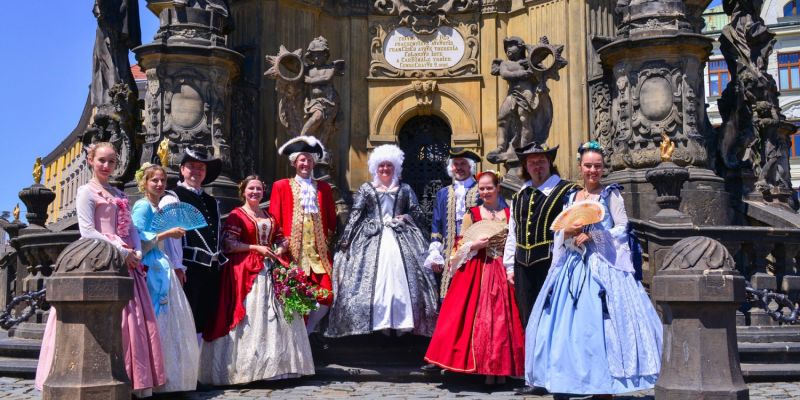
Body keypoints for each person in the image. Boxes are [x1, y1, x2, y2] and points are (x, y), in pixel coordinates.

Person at [524, 141, 662, 397]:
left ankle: (603, 384)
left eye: (597, 166)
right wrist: (568, 232)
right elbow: (559, 231)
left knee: (603, 325)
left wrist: (595, 235)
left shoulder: (611, 195)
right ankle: (568, 380)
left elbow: (622, 228)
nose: (593, 171)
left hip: (604, 265)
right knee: (567, 326)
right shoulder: (571, 197)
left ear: (603, 168)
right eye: (588, 165)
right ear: (580, 166)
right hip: (573, 265)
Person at [35, 142, 166, 397]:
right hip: (101, 259)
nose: (107, 166)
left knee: (135, 322)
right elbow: (87, 231)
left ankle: (132, 379)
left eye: (111, 161)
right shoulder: (86, 191)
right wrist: (123, 252)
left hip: (128, 261)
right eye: (102, 161)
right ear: (91, 161)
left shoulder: (118, 193)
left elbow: (131, 228)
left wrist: (137, 250)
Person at [200, 175, 315, 385]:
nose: (255, 192)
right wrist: (255, 247)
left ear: (263, 192)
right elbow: (228, 244)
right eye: (251, 189)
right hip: (247, 269)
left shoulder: (268, 215)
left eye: (259, 189)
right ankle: (247, 370)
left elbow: (281, 238)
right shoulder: (237, 215)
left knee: (278, 317)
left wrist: (280, 248)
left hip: (271, 267)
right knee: (251, 317)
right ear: (243, 191)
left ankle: (279, 368)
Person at [326, 144, 438, 337]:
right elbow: (356, 214)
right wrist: (346, 240)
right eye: (381, 165)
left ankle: (402, 322)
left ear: (395, 167)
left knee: (401, 278)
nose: (385, 169)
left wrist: (407, 218)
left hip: (400, 234)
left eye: (389, 165)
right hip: (372, 236)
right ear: (375, 168)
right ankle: (380, 322)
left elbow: (417, 212)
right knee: (374, 278)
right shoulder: (366, 188)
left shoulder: (404, 188)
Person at [423, 171, 524, 387]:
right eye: (482, 188)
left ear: (498, 188)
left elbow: (516, 241)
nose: (485, 192)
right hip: (478, 268)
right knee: (480, 319)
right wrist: (475, 245)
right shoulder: (473, 214)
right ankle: (486, 369)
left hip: (503, 268)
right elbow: (459, 245)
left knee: (503, 321)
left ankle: (502, 369)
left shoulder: (509, 213)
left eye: (489, 188)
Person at [503, 141, 577, 395]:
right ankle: (536, 378)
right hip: (523, 266)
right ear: (526, 166)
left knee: (554, 321)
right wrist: (509, 266)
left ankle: (558, 376)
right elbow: (513, 233)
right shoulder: (519, 196)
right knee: (529, 322)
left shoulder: (566, 191)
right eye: (532, 162)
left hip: (553, 264)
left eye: (541, 160)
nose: (537, 165)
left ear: (549, 162)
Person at [131, 163, 200, 393]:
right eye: (155, 180)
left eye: (162, 180)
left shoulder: (157, 206)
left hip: (162, 263)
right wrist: (168, 233)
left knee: (169, 321)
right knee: (154, 317)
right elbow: (137, 239)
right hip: (149, 266)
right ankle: (152, 378)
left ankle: (167, 376)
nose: (160, 184)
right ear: (144, 183)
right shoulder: (142, 206)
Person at [269, 136, 336, 334]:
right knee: (295, 296)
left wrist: (326, 240)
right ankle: (296, 337)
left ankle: (307, 332)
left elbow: (331, 219)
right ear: (294, 163)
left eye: (309, 159)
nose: (305, 163)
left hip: (318, 255)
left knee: (327, 295)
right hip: (292, 255)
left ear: (314, 163)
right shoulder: (281, 186)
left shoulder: (324, 188)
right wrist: (279, 243)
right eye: (302, 160)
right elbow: (274, 218)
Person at [173, 144, 226, 343]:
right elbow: (171, 239)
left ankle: (198, 360)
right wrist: (177, 266)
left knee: (204, 319)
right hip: (188, 269)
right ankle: (186, 361)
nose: (196, 171)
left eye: (201, 167)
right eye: (192, 166)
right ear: (182, 169)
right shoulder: (174, 196)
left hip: (211, 270)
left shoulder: (211, 201)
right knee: (187, 318)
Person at [425, 148, 489, 299]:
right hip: (449, 252)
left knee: (474, 293)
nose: (459, 167)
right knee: (450, 294)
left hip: (477, 250)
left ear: (470, 166)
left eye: (463, 164)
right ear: (451, 167)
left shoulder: (482, 191)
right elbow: (437, 225)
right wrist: (435, 252)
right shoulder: (443, 194)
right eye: (456, 164)